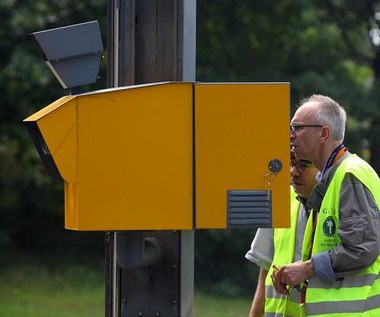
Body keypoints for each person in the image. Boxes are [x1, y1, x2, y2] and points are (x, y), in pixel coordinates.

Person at [272, 94, 380, 316]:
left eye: (297, 128)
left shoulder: (350, 174)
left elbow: (361, 249)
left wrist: (307, 268)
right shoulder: (330, 177)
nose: (290, 136)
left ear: (323, 133)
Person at [246, 152, 319, 317]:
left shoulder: (340, 203)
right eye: (292, 164)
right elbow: (265, 268)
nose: (293, 171)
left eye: (303, 165)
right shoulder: (281, 199)